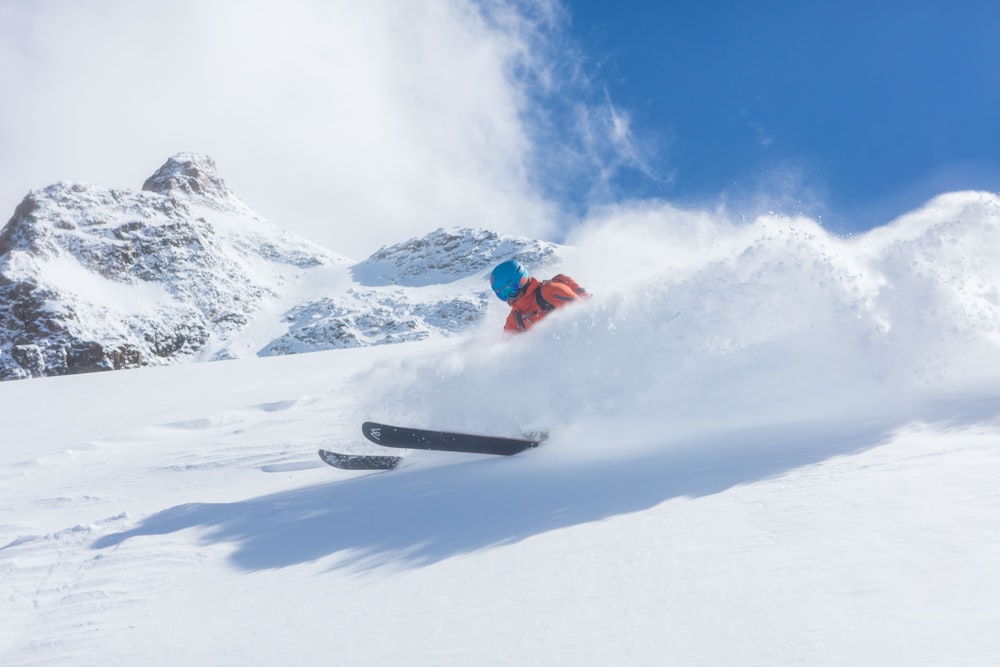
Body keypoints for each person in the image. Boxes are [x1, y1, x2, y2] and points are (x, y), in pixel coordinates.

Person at [489, 260, 588, 334]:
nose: (509, 298)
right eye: (502, 295)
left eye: (510, 291)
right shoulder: (515, 317)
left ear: (522, 280)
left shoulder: (551, 291)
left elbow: (583, 315)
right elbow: (506, 349)